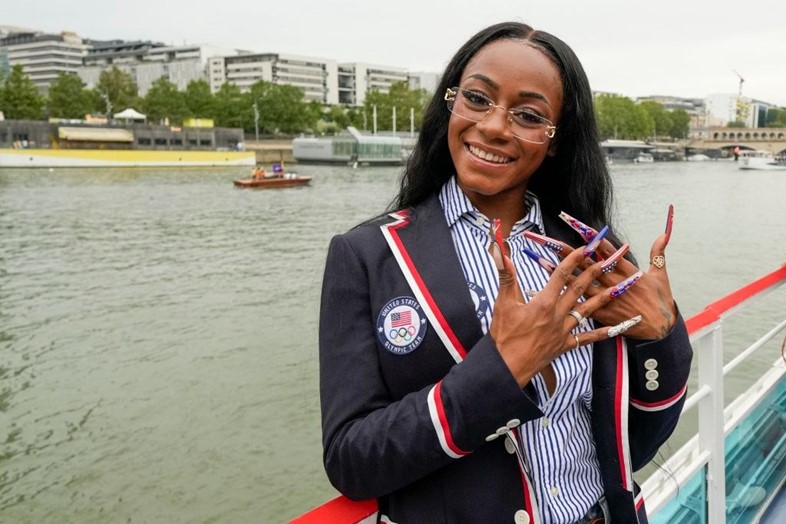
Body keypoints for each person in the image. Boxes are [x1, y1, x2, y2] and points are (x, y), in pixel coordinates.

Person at [319, 21, 692, 523]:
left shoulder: (587, 251)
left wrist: (661, 337)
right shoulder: (368, 255)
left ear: (555, 140)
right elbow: (350, 460)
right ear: (450, 104)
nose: (495, 126)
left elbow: (633, 443)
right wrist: (501, 370)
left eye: (529, 115)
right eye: (477, 98)